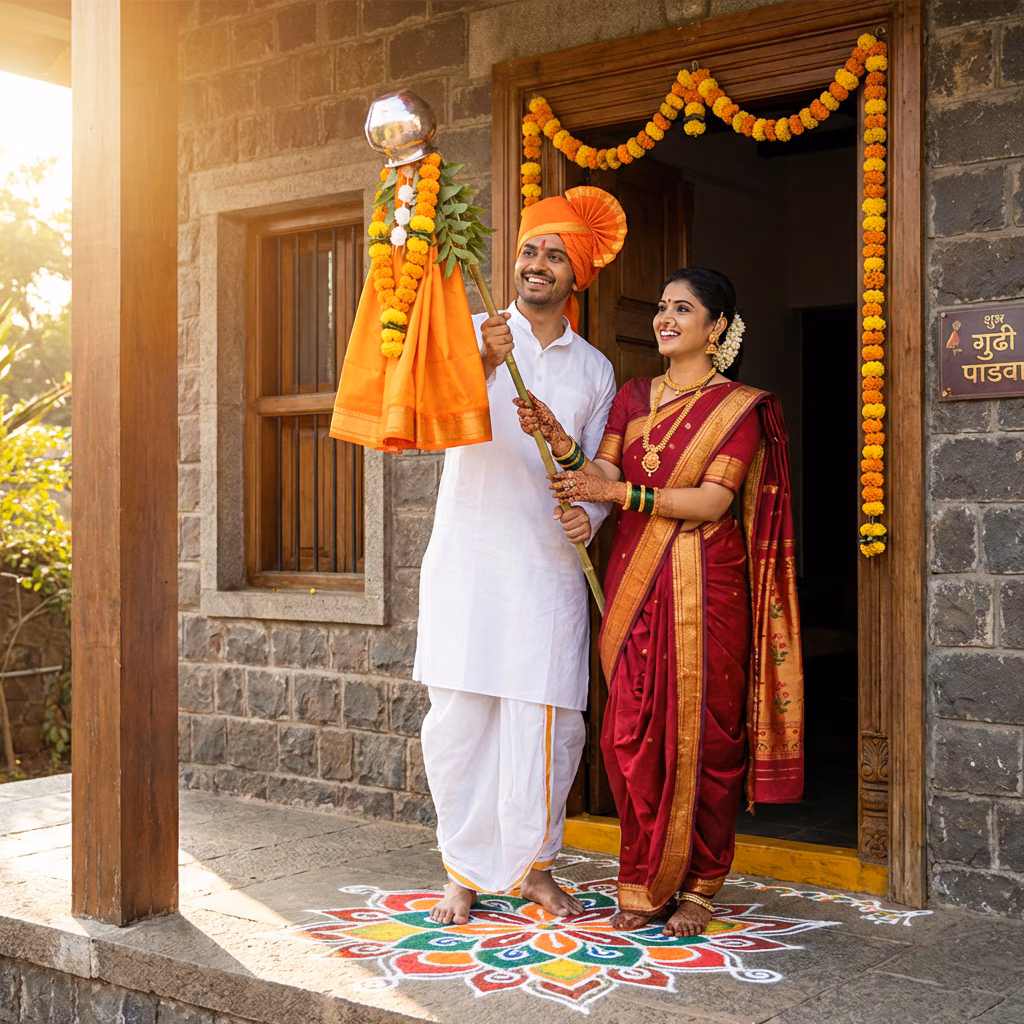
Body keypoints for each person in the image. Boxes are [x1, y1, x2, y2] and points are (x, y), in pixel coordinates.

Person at [515, 267, 804, 938]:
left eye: (683, 308)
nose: (665, 318)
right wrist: (562, 441)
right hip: (636, 579)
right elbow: (606, 469)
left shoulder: (741, 407)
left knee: (705, 734)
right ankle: (643, 880)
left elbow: (713, 502)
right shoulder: (634, 395)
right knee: (631, 733)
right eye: (663, 306)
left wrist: (619, 500)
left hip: (709, 583)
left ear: (717, 328)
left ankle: (701, 886)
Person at [414, 187, 628, 926]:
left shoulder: (594, 369)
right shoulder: (469, 330)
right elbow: (430, 422)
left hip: (546, 568)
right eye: (531, 250)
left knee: (548, 722)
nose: (539, 264)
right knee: (459, 720)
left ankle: (536, 869)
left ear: (578, 277)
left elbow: (598, 469)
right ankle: (463, 873)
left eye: (556, 256)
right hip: (469, 558)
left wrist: (592, 513)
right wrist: (477, 355)